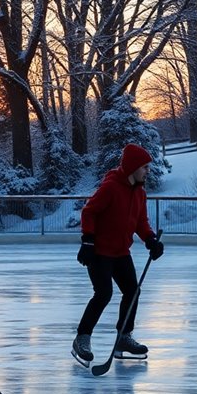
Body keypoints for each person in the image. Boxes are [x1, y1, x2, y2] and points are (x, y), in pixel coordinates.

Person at [72, 144, 164, 367]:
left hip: (122, 252)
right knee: (103, 294)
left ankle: (124, 337)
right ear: (133, 167)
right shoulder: (111, 187)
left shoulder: (140, 192)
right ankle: (82, 338)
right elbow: (89, 211)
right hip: (100, 252)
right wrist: (87, 240)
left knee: (132, 291)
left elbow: (141, 221)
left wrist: (150, 239)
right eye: (144, 167)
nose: (147, 171)